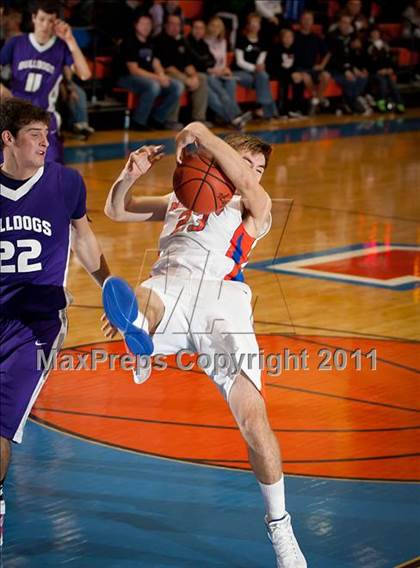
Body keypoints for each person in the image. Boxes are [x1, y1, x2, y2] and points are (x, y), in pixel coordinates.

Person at [101, 123, 307, 567]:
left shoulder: (256, 207)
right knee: (141, 294)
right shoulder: (183, 197)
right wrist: (129, 174)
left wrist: (198, 130)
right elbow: (118, 211)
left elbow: (247, 182)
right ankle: (138, 328)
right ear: (222, 159)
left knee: (253, 420)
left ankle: (280, 526)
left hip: (221, 299)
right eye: (247, 160)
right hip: (169, 286)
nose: (254, 172)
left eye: (259, 167)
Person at [0, 97, 111, 546]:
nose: (46, 141)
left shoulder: (66, 182)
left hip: (35, 326)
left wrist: (110, 290)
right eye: (34, 134)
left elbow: (83, 238)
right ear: (7, 139)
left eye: (47, 133)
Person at [0, 0, 91, 162]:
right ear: (34, 18)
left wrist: (70, 40)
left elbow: (85, 74)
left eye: (50, 21)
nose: (45, 25)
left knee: (52, 169)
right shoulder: (16, 43)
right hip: (15, 115)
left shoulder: (61, 47)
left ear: (56, 23)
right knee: (6, 166)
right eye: (42, 19)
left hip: (45, 118)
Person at [117, 12, 184, 131]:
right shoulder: (129, 41)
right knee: (153, 86)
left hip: (146, 77)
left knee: (177, 86)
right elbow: (134, 70)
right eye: (143, 23)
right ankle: (139, 121)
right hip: (126, 77)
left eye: (149, 24)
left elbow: (155, 62)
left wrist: (162, 75)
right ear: (136, 25)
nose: (146, 26)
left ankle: (157, 119)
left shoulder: (150, 42)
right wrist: (157, 78)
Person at [186, 18, 252, 128]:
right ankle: (236, 115)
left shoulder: (203, 44)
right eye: (196, 28)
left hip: (212, 74)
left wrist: (223, 70)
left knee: (230, 82)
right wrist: (213, 70)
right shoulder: (189, 42)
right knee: (215, 95)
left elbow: (211, 62)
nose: (198, 31)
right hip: (204, 76)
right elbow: (200, 65)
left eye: (200, 28)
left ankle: (232, 118)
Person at [154, 14, 210, 125]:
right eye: (172, 24)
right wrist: (186, 79)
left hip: (181, 73)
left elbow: (188, 63)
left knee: (202, 78)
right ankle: (171, 120)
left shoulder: (182, 41)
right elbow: (167, 67)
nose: (175, 27)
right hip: (166, 73)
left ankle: (198, 118)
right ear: (165, 25)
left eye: (178, 24)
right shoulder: (159, 41)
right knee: (178, 81)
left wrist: (193, 76)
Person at [233, 13, 278, 119]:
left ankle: (261, 109)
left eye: (256, 23)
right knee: (260, 78)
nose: (254, 25)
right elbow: (240, 61)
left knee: (263, 76)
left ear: (259, 26)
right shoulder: (241, 39)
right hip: (239, 71)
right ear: (248, 25)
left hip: (255, 72)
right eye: (252, 23)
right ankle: (269, 111)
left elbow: (261, 61)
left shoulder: (263, 41)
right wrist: (254, 68)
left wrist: (258, 68)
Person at [326, 14, 369, 114]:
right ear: (339, 24)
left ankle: (348, 102)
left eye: (348, 23)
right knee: (351, 80)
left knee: (363, 77)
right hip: (333, 69)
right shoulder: (332, 37)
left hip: (346, 68)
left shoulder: (350, 37)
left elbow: (350, 57)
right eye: (344, 23)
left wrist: (354, 68)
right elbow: (333, 59)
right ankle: (354, 103)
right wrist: (346, 71)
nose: (346, 25)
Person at [294, 10, 332, 114]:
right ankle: (319, 99)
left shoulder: (316, 37)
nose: (307, 22)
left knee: (326, 75)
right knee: (306, 77)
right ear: (300, 20)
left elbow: (328, 53)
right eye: (305, 19)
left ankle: (315, 100)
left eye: (309, 19)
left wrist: (322, 65)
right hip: (300, 68)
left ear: (312, 22)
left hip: (313, 68)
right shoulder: (294, 36)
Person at [267, 28, 306, 118]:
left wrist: (297, 73)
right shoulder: (276, 49)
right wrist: (290, 73)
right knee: (284, 81)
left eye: (290, 37)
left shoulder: (295, 49)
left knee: (299, 80)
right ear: (281, 38)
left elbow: (297, 64)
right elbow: (273, 66)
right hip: (277, 73)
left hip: (290, 73)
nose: (288, 39)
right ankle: (282, 110)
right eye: (286, 37)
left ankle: (296, 109)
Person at [366, 28, 405, 113]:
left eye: (377, 32)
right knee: (382, 81)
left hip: (385, 72)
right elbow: (367, 62)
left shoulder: (384, 45)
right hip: (373, 73)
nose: (375, 34)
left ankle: (399, 103)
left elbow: (389, 60)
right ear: (370, 34)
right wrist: (378, 70)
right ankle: (381, 101)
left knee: (392, 83)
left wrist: (390, 69)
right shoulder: (368, 46)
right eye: (373, 32)